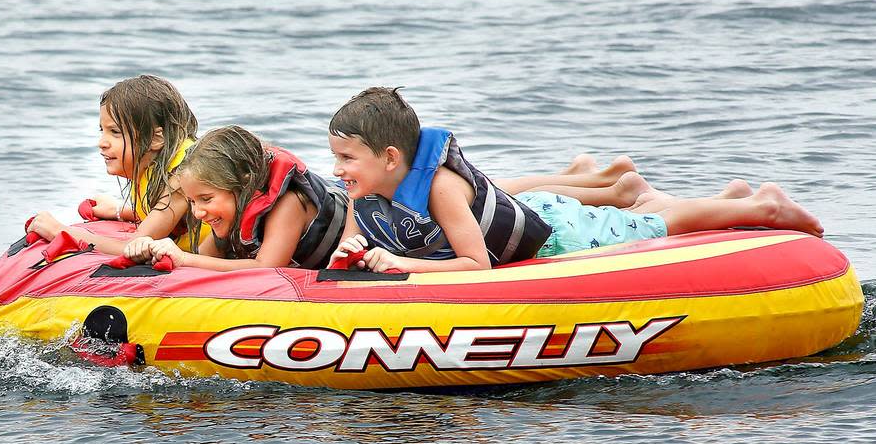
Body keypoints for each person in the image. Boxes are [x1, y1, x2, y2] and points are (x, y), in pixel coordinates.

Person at [326, 87, 824, 273]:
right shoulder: (361, 196)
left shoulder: (440, 188)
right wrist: (347, 255)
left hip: (553, 235)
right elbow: (347, 246)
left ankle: (759, 207)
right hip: (533, 218)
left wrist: (393, 263)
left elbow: (475, 265)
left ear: (391, 158)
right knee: (636, 219)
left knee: (646, 230)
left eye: (347, 157)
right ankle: (728, 197)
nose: (336, 170)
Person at [25, 75, 210, 255]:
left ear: (156, 138)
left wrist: (59, 231)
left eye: (114, 132)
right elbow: (164, 213)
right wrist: (118, 210)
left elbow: (131, 246)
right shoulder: (159, 169)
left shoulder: (183, 176)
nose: (102, 142)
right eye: (102, 130)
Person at [135, 125, 348, 270]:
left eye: (206, 199)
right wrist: (156, 252)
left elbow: (265, 267)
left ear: (245, 183)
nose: (198, 213)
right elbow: (204, 257)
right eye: (191, 201)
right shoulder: (231, 208)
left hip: (343, 199)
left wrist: (184, 258)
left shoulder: (290, 203)